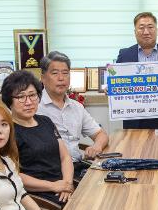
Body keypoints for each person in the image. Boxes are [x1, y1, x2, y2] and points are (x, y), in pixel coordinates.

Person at [2, 70, 75, 205]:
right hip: (39, 196)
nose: (28, 102)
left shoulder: (45, 121)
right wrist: (53, 186)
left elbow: (65, 157)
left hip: (63, 186)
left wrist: (67, 184)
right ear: (9, 101)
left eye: (32, 95)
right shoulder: (7, 131)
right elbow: (13, 174)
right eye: (21, 97)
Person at [37, 50, 109, 179]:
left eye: (65, 73)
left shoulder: (76, 107)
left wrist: (96, 146)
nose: (61, 78)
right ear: (43, 78)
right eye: (55, 73)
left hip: (77, 166)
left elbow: (101, 134)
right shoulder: (34, 107)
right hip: (51, 172)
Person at [116, 11, 158, 130]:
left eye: (150, 27)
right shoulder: (124, 55)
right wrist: (110, 88)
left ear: (156, 30)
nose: (146, 32)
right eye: (141, 28)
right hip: (134, 121)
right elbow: (117, 82)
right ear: (135, 31)